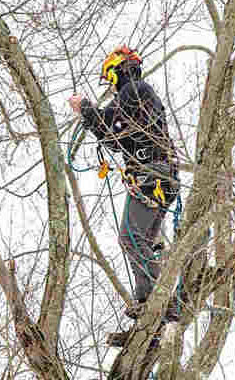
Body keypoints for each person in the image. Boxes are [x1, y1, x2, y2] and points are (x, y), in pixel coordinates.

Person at [69, 45, 181, 341]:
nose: (112, 87)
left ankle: (160, 306)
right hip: (157, 175)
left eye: (110, 79)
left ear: (117, 72)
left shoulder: (135, 90)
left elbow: (108, 125)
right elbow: (113, 139)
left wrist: (85, 108)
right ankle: (151, 316)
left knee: (131, 238)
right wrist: (90, 115)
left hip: (151, 175)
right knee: (140, 240)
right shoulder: (138, 96)